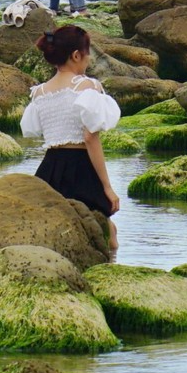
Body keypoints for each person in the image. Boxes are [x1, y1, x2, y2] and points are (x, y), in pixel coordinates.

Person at [20, 25, 122, 251]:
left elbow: (35, 131)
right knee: (104, 231)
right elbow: (90, 137)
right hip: (80, 168)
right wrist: (107, 186)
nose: (88, 60)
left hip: (50, 168)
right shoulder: (87, 85)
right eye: (87, 55)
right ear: (76, 55)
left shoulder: (39, 92)